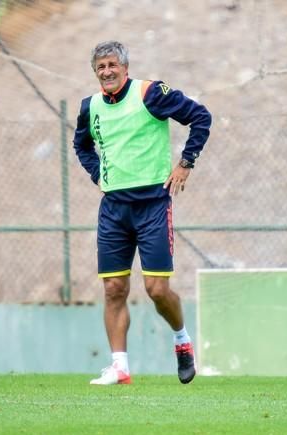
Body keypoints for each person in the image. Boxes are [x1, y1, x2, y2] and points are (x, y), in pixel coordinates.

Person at [73, 41, 211, 385]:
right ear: (95, 72)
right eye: (100, 67)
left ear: (125, 68)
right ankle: (119, 366)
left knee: (156, 290)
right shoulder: (89, 107)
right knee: (114, 288)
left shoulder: (150, 93)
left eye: (111, 65)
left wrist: (185, 163)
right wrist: (97, 173)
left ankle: (182, 341)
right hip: (113, 209)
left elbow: (200, 117)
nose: (106, 71)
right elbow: (81, 144)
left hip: (153, 205)